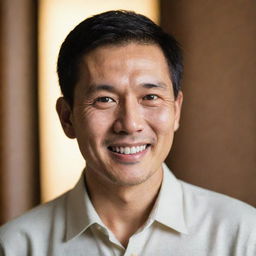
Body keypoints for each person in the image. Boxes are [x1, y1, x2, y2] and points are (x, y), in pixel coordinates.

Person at [0, 10, 255, 256]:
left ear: (176, 111)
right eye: (104, 100)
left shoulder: (244, 236)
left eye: (151, 97)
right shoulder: (15, 246)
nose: (130, 124)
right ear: (67, 118)